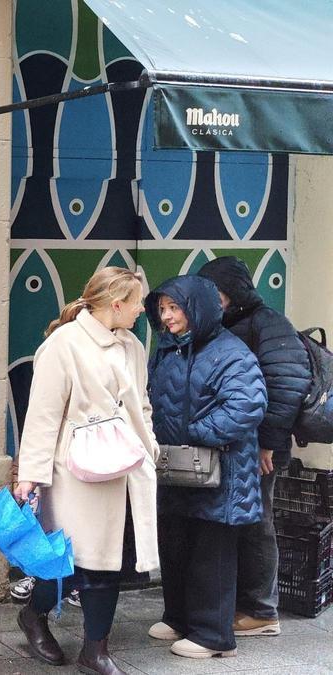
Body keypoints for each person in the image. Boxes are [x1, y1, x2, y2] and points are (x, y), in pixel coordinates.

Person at [15, 267, 160, 675]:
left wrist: (148, 443)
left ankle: (95, 650)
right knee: (70, 563)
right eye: (137, 303)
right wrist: (31, 473)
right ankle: (34, 614)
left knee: (107, 563)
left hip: (124, 467)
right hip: (74, 471)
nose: (141, 311)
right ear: (117, 304)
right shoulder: (64, 344)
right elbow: (42, 415)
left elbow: (141, 404)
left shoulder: (131, 345)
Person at [145, 275, 267, 659]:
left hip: (220, 472)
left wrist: (195, 432)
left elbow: (247, 405)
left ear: (198, 307)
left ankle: (214, 636)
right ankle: (179, 618)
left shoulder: (231, 352)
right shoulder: (169, 348)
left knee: (209, 553)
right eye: (162, 308)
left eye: (175, 308)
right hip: (178, 468)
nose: (167, 317)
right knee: (176, 543)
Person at [198, 257, 310, 637]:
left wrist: (269, 446)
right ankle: (243, 605)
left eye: (216, 291)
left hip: (262, 448)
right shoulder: (228, 324)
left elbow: (286, 388)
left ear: (234, 292)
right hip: (237, 445)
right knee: (242, 523)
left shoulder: (268, 323)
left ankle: (262, 611)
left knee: (258, 523)